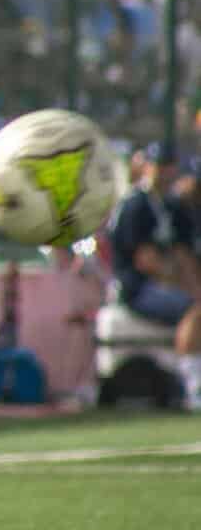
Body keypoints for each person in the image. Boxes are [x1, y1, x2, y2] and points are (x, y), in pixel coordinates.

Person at [107, 141, 201, 410]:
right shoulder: (135, 205)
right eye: (158, 165)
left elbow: (184, 255)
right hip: (138, 289)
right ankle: (192, 387)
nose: (164, 172)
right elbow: (145, 260)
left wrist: (194, 286)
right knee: (194, 311)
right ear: (145, 166)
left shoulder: (173, 206)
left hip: (169, 284)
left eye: (168, 166)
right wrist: (184, 287)